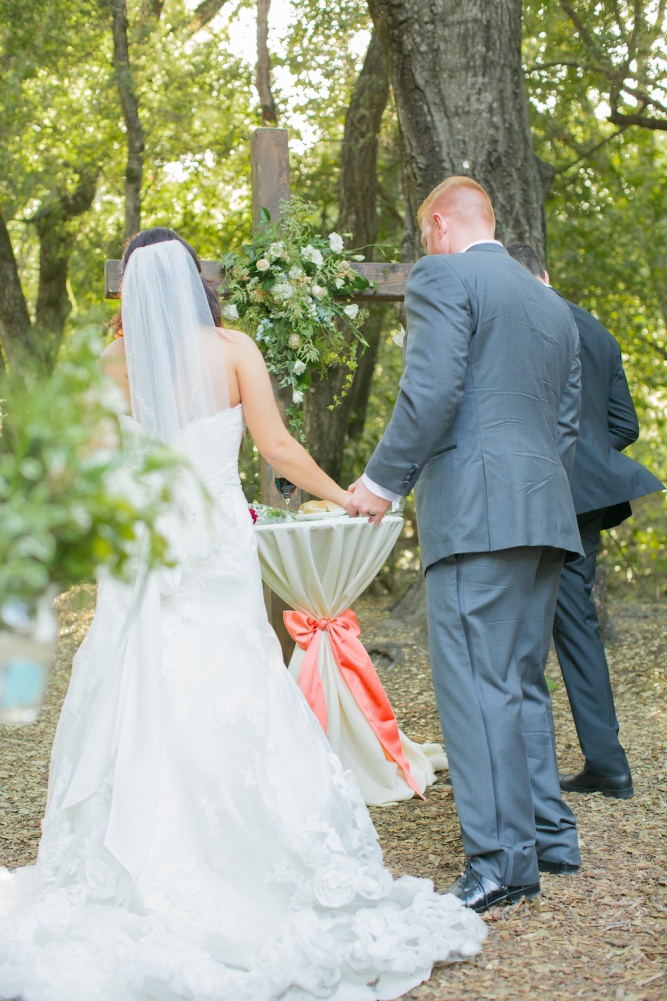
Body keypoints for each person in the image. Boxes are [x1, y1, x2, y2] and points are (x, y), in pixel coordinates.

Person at [0, 228, 487, 1001]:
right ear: (195, 280)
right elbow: (280, 448)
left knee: (138, 686)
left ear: (130, 287)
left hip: (140, 549)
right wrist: (343, 494)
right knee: (231, 678)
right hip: (213, 544)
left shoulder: (109, 364)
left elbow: (85, 469)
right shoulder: (232, 348)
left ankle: (132, 857)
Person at [347, 178, 584, 914]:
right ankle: (548, 833)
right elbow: (566, 423)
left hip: (477, 512)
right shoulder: (552, 303)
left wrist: (380, 481)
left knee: (475, 686)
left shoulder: (442, 273)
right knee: (516, 680)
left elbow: (432, 385)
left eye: (423, 235)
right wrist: (532, 486)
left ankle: (500, 862)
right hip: (542, 509)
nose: (424, 248)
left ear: (441, 223)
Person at [506, 242, 664, 799]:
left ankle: (522, 773)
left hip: (534, 495)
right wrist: (587, 458)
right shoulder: (596, 329)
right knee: (576, 628)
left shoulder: (524, 324)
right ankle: (609, 764)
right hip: (586, 500)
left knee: (512, 623)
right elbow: (625, 424)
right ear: (548, 273)